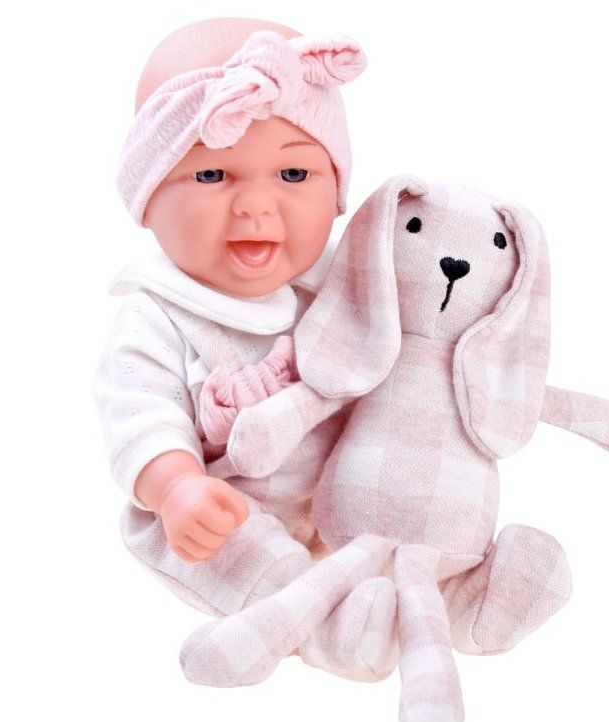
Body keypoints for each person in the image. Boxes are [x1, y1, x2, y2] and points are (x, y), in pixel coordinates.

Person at [94, 18, 398, 681]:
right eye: (211, 174)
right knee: (241, 548)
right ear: (147, 198)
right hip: (220, 509)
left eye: (293, 172)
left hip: (344, 503)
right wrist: (177, 487)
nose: (257, 205)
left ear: (335, 192)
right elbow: (139, 415)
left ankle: (442, 586)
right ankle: (322, 626)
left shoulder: (345, 286)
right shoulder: (159, 313)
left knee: (412, 503)